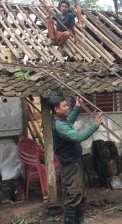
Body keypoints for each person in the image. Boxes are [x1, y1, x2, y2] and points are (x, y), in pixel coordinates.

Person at [50, 95, 104, 224]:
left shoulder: (64, 121)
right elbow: (77, 137)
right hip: (70, 166)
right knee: (74, 196)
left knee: (81, 194)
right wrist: (94, 125)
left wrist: (77, 107)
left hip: (75, 163)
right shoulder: (60, 126)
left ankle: (79, 221)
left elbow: (70, 120)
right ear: (56, 109)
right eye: (64, 106)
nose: (67, 107)